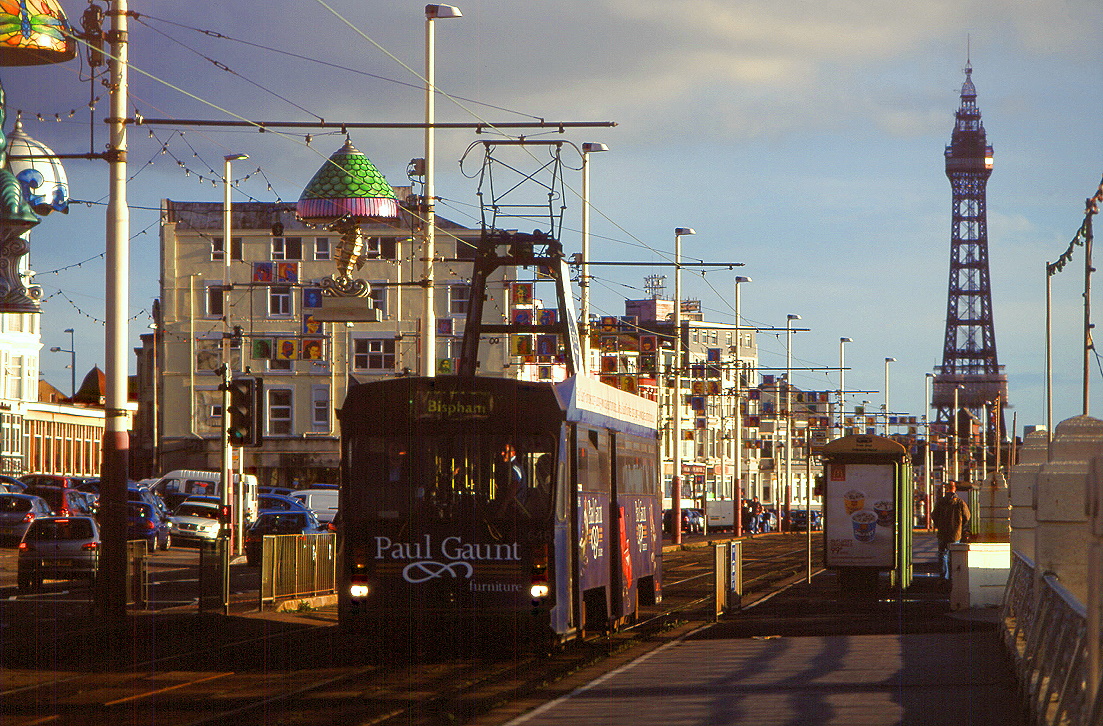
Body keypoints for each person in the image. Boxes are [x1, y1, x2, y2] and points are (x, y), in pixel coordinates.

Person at [932, 481, 970, 581]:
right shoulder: (960, 502)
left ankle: (944, 578)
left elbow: (934, 515)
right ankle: (954, 578)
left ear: (947, 489)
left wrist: (939, 525)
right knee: (954, 555)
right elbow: (967, 516)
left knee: (943, 555)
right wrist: (961, 526)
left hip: (942, 533)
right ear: (955, 489)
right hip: (955, 534)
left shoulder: (941, 501)